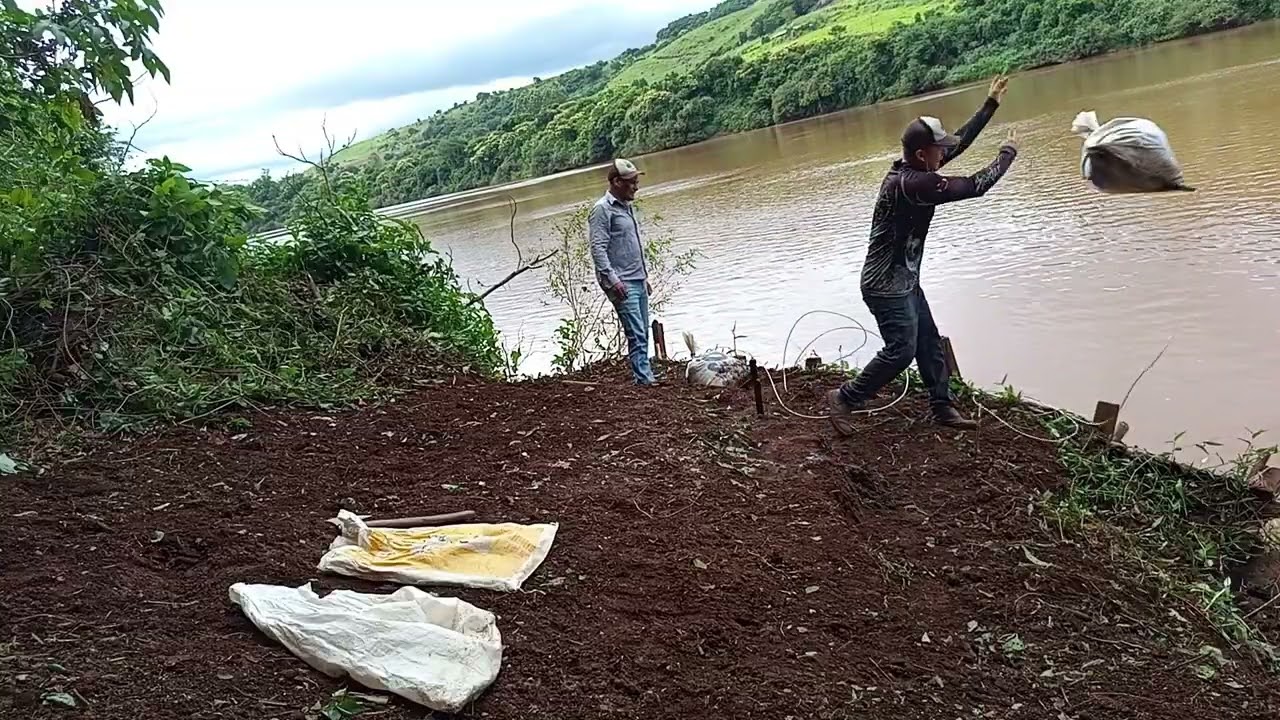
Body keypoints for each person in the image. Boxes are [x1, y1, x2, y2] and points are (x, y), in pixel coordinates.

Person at [827, 75, 1020, 434]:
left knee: (928, 341)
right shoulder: (915, 184)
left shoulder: (916, 169)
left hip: (905, 279)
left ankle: (941, 406)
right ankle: (845, 398)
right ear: (921, 154)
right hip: (885, 285)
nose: (944, 152)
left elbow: (958, 144)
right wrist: (1007, 155)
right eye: (938, 149)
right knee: (901, 350)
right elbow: (976, 186)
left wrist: (990, 104)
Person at [588, 158, 660, 386]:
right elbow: (597, 248)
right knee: (636, 331)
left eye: (637, 182)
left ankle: (645, 375)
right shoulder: (602, 210)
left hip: (637, 278)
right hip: (621, 281)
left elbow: (630, 245)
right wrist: (612, 279)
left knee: (644, 330)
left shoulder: (626, 207)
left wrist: (644, 277)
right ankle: (643, 380)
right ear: (616, 182)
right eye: (631, 182)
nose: (636, 187)